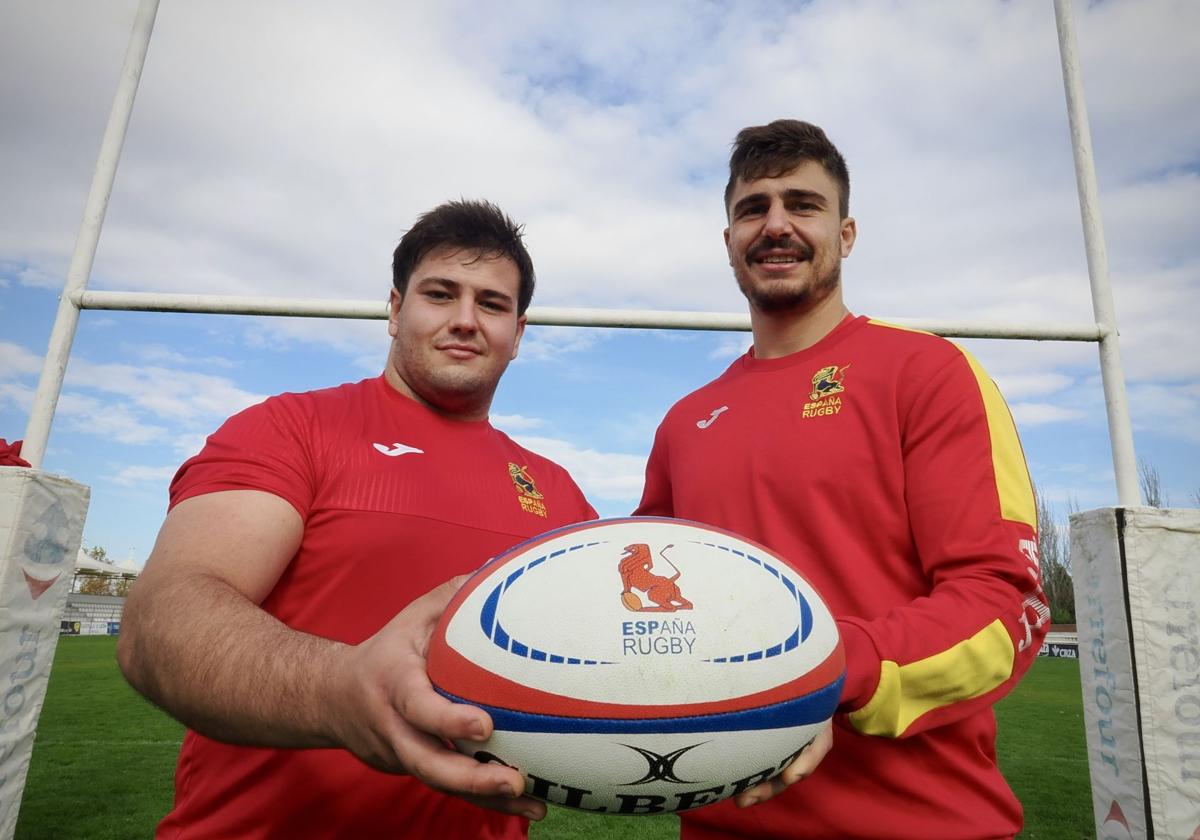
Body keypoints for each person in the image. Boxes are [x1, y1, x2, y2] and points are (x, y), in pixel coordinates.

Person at [117, 199, 597, 839]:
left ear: (519, 332)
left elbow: (615, 660)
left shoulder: (559, 493)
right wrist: (339, 690)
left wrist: (758, 728)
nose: (464, 320)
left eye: (491, 303)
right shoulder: (292, 428)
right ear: (395, 310)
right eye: (439, 294)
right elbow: (161, 619)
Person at [635, 120, 1049, 839]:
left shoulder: (927, 373)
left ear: (846, 233)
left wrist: (830, 671)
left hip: (922, 826)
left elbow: (1002, 606)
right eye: (752, 209)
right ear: (728, 239)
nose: (776, 226)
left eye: (803, 204)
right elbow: (649, 613)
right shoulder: (685, 421)